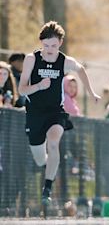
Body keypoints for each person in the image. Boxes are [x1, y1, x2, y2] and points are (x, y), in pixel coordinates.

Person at [18, 21, 100, 205]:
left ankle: (47, 187)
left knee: (54, 143)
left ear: (60, 43)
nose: (49, 50)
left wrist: (91, 92)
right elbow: (22, 89)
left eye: (53, 46)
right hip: (35, 114)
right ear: (41, 43)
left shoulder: (65, 61)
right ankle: (48, 164)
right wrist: (39, 86)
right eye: (46, 45)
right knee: (40, 159)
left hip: (56, 112)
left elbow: (81, 70)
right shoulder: (32, 59)